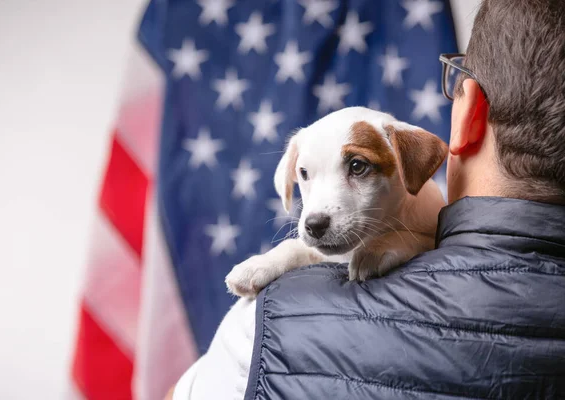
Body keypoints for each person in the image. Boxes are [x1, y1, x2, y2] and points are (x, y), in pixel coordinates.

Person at [169, 0, 565, 398]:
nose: (315, 211)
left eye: (357, 168)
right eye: (304, 176)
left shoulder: (264, 328)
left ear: (470, 113)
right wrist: (292, 254)